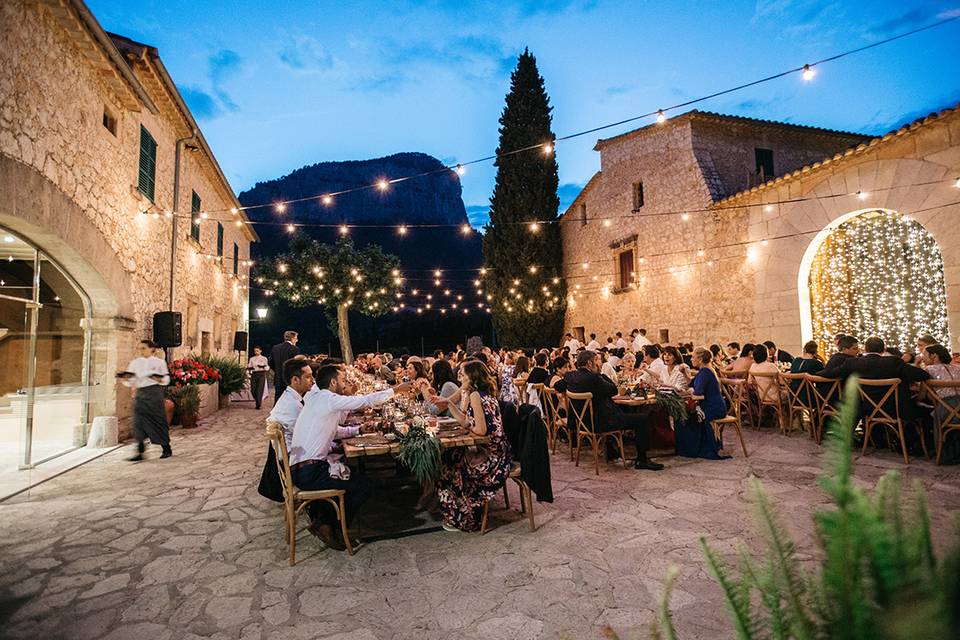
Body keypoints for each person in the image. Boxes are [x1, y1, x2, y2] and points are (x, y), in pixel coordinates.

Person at [290, 366, 411, 550]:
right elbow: (364, 401)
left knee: (353, 474)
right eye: (342, 380)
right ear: (333, 382)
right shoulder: (328, 399)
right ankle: (331, 527)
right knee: (363, 486)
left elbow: (332, 429)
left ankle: (326, 522)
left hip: (302, 469)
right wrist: (396, 390)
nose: (345, 383)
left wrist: (359, 430)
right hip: (310, 472)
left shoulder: (316, 399)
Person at [431, 361, 513, 532]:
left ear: (472, 377)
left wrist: (470, 427)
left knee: (449, 466)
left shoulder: (476, 395)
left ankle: (465, 517)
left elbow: (481, 430)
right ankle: (457, 511)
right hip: (497, 451)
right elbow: (466, 421)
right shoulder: (477, 393)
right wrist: (451, 405)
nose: (460, 375)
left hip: (492, 457)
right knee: (449, 458)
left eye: (463, 373)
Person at [554, 350, 663, 470]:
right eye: (596, 361)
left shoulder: (570, 376)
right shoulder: (595, 378)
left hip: (581, 423)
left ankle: (611, 450)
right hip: (601, 423)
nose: (599, 364)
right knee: (642, 419)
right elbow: (613, 390)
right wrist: (601, 375)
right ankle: (642, 460)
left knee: (620, 410)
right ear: (590, 364)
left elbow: (557, 386)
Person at [821, 336, 930, 422]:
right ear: (883, 350)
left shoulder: (853, 363)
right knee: (926, 409)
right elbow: (922, 375)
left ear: (865, 349)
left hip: (866, 409)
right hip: (896, 409)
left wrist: (810, 374)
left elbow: (830, 373)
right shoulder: (893, 362)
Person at [118, 340, 172, 461]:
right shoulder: (135, 363)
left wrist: (158, 379)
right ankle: (140, 452)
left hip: (154, 394)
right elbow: (131, 380)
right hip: (141, 394)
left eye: (143, 348)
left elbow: (166, 378)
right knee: (138, 422)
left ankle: (166, 448)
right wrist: (126, 378)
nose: (141, 351)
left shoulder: (159, 362)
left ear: (151, 349)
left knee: (158, 420)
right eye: (140, 348)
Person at [676, 348, 728, 459]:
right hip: (713, 405)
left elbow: (697, 393)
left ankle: (692, 448)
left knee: (686, 417)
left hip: (713, 408)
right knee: (687, 414)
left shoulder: (705, 372)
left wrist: (685, 394)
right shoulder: (704, 370)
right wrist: (685, 373)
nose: (691, 359)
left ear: (700, 359)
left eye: (693, 357)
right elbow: (691, 383)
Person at [268, 359, 316, 450]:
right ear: (295, 380)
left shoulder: (289, 397)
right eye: (308, 377)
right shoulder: (292, 405)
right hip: (299, 459)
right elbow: (310, 437)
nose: (313, 380)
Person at [269, 331, 301, 405]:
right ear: (292, 338)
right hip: (290, 379)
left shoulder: (275, 348)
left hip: (278, 378)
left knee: (278, 398)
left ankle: (276, 414)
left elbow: (270, 362)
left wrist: (277, 370)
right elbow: (296, 364)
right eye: (296, 338)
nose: (297, 340)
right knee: (290, 399)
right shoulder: (295, 349)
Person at [790, 340, 824, 404]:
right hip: (809, 398)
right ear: (816, 352)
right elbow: (822, 377)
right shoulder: (816, 363)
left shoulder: (796, 360)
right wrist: (822, 361)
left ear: (805, 350)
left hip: (793, 397)